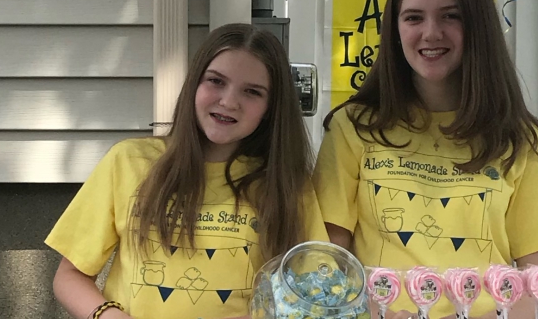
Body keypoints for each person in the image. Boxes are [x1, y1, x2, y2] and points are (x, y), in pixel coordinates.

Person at [314, 0, 538, 319]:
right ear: (394, 30)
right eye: (413, 17)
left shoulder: (520, 140)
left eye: (450, 16)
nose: (430, 33)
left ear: (478, 26)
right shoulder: (353, 128)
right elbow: (328, 268)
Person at [47, 23, 329, 319]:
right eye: (216, 81)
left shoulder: (285, 183)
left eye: (252, 92)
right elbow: (69, 276)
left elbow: (313, 293)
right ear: (194, 83)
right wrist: (110, 316)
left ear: (271, 107)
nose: (229, 101)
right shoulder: (128, 161)